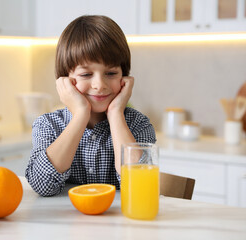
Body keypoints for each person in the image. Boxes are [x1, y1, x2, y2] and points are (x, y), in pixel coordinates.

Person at [25, 15, 156, 197]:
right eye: (86, 74)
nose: (99, 84)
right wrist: (80, 115)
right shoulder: (48, 125)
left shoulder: (138, 124)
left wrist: (116, 113)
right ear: (66, 80)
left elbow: (141, 189)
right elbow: (43, 186)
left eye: (110, 73)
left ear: (124, 77)